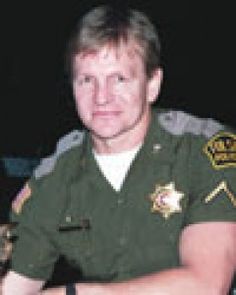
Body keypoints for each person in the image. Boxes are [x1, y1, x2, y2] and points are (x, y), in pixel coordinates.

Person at [2, 4, 236, 295]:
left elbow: (207, 285)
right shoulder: (56, 176)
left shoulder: (203, 151)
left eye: (119, 79)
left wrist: (76, 293)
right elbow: (15, 285)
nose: (101, 97)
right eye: (87, 80)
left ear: (152, 84)